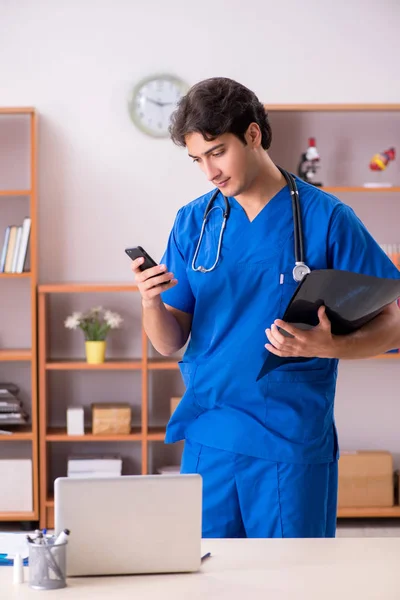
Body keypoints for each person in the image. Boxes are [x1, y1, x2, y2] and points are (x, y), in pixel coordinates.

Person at [131, 77, 400, 539]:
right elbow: (168, 341)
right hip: (208, 435)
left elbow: (393, 322)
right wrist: (150, 301)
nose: (209, 172)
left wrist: (331, 345)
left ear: (253, 135)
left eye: (217, 152)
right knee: (208, 581)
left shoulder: (326, 218)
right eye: (198, 160)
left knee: (292, 581)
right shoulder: (193, 221)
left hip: (289, 438)